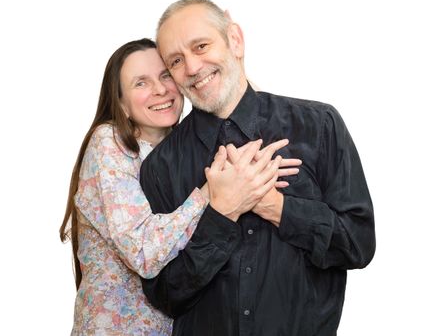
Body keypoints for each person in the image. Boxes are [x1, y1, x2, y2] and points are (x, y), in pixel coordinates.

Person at [140, 0, 376, 336]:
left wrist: (276, 206)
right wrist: (222, 214)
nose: (192, 67)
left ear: (234, 40)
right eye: (176, 60)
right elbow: (164, 294)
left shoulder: (318, 126)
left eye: (201, 46)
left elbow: (359, 244)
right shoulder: (160, 168)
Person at [59, 38, 297, 335]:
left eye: (165, 76)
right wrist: (212, 192)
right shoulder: (110, 142)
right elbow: (144, 251)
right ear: (121, 103)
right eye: (141, 83)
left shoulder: (183, 148)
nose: (160, 90)